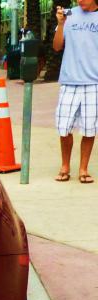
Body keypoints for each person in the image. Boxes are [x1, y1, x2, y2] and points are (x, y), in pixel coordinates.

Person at [52, 0, 98, 183]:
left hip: (94, 82)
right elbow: (56, 46)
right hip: (70, 80)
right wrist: (61, 24)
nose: (80, 0)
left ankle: (83, 169)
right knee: (64, 127)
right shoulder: (69, 15)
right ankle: (65, 166)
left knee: (89, 128)